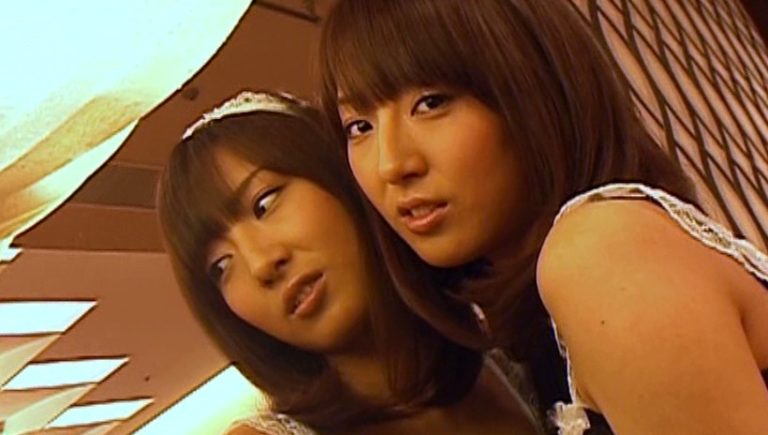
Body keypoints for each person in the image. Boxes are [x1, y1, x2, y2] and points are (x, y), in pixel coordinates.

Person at [318, 0, 768, 433]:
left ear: (533, 88)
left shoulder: (600, 250)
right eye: (359, 127)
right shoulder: (529, 328)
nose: (391, 164)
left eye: (431, 103)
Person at [156, 91, 540, 434]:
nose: (261, 265)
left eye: (265, 204)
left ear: (342, 172)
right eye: (221, 266)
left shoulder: (504, 352)